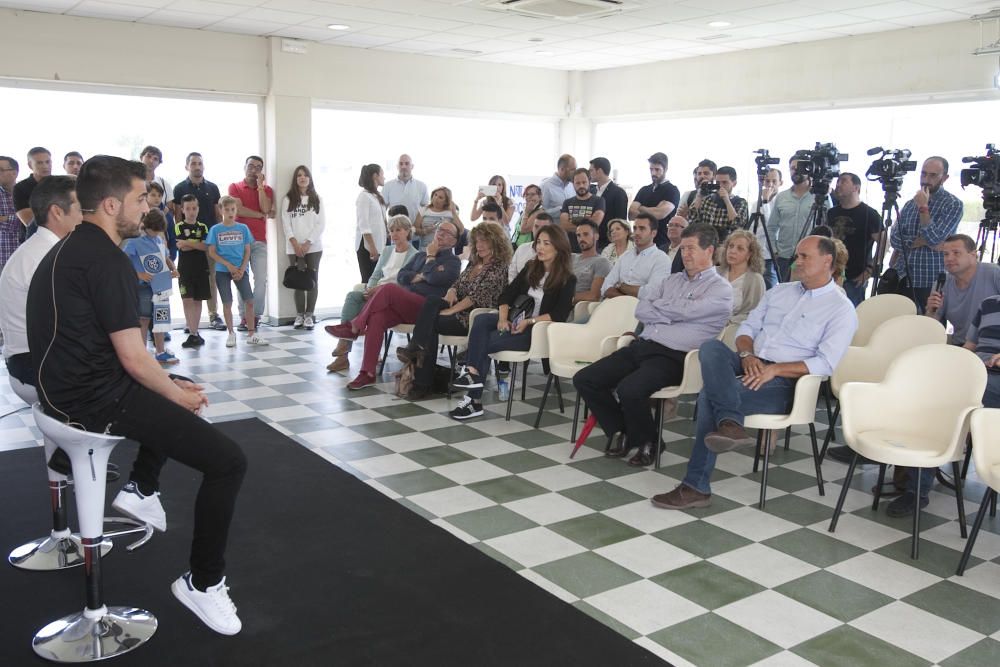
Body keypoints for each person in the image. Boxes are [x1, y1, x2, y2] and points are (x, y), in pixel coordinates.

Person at [25, 155, 246, 636]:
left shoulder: (68, 248)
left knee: (170, 391)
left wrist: (170, 387)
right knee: (228, 461)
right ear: (110, 204)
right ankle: (203, 584)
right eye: (141, 198)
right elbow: (132, 357)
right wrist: (176, 392)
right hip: (90, 401)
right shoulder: (108, 261)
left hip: (62, 391)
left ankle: (143, 488)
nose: (151, 205)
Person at [650, 235, 857, 509]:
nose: (797, 262)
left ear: (827, 261)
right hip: (751, 360)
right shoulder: (780, 291)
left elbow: (826, 363)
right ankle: (731, 424)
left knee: (707, 400)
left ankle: (696, 486)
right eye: (797, 255)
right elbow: (747, 329)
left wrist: (774, 370)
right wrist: (746, 355)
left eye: (804, 256)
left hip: (786, 382)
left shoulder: (841, 309)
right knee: (712, 348)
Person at [575, 224, 732, 466]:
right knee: (586, 378)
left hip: (676, 357)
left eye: (691, 248)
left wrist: (663, 309)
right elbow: (642, 308)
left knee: (630, 389)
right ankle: (624, 430)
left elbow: (687, 311)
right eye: (682, 249)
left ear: (709, 250)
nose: (685, 254)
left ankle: (650, 442)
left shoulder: (720, 289)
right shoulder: (671, 281)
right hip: (644, 345)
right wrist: (674, 313)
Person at [449, 225, 577, 420]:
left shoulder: (568, 279)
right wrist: (502, 318)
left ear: (559, 247)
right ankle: (473, 376)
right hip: (515, 321)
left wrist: (529, 321)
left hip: (537, 332)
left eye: (546, 243)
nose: (540, 248)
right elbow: (506, 295)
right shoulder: (531, 267)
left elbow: (559, 314)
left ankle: (473, 397)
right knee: (483, 319)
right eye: (539, 243)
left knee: (484, 341)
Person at [327, 221, 461, 390]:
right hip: (406, 302)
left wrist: (431, 258)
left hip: (426, 309)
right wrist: (423, 273)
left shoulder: (453, 261)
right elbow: (402, 276)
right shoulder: (419, 255)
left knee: (388, 289)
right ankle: (367, 373)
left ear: (454, 241)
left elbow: (435, 280)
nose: (441, 233)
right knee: (377, 318)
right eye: (440, 229)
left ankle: (354, 326)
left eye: (447, 233)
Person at [398, 222, 512, 399]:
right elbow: (457, 284)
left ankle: (421, 377)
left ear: (495, 243)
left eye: (484, 241)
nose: (479, 245)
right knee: (432, 303)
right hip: (457, 308)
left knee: (430, 324)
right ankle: (418, 357)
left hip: (473, 317)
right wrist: (451, 290)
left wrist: (451, 311)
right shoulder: (474, 263)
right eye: (477, 241)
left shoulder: (499, 267)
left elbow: (476, 297)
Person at [0, 175, 82, 388]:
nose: (86, 217)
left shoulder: (47, 248)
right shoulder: (45, 256)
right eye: (81, 209)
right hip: (33, 359)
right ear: (57, 212)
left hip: (40, 354)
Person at [328, 214, 417, 374]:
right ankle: (343, 354)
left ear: (408, 232)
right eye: (391, 231)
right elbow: (375, 275)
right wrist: (370, 289)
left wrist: (378, 291)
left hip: (392, 298)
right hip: (376, 293)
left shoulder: (415, 255)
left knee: (375, 305)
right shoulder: (388, 250)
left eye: (398, 230)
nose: (394, 234)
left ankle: (345, 346)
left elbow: (406, 283)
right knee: (353, 296)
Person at [889, 156, 964, 312]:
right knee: (899, 329)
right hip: (902, 277)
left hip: (930, 281)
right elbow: (895, 239)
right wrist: (919, 241)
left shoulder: (952, 204)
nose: (926, 179)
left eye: (933, 175)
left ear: (944, 178)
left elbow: (934, 238)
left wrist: (923, 207)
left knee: (927, 329)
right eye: (924, 174)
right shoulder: (910, 203)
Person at [207, 196, 267, 347]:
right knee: (227, 302)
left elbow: (248, 250)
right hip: (222, 271)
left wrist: (241, 268)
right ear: (221, 210)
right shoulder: (215, 230)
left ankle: (252, 334)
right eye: (226, 210)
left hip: (241, 270)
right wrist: (228, 265)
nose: (230, 212)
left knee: (249, 300)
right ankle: (231, 334)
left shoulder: (243, 228)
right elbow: (212, 252)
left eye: (233, 209)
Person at [173, 152, 224, 330]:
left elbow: (218, 214)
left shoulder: (212, 188)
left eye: (200, 163)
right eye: (193, 163)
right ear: (187, 166)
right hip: (186, 244)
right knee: (188, 282)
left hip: (207, 241)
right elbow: (177, 216)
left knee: (210, 278)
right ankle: (191, 322)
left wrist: (219, 239)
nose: (197, 166)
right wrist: (181, 240)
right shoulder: (179, 189)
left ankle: (213, 315)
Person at [123, 208, 178, 365]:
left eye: (158, 231)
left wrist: (173, 269)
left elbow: (166, 257)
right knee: (144, 318)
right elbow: (123, 260)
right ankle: (142, 352)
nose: (155, 233)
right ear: (147, 226)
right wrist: (139, 275)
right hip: (144, 287)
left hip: (161, 288)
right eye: (153, 230)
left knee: (161, 319)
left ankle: (160, 351)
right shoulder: (135, 242)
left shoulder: (159, 240)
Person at [925, 234, 1000, 346]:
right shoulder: (941, 284)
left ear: (973, 255)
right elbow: (931, 327)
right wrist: (930, 311)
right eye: (946, 254)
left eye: (956, 253)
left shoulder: (994, 273)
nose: (949, 258)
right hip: (961, 345)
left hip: (993, 348)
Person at [228, 155, 274, 331]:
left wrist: (261, 187)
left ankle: (255, 315)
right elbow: (238, 209)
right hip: (239, 241)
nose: (253, 170)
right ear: (244, 167)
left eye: (258, 167)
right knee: (241, 278)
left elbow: (266, 208)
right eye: (251, 166)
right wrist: (260, 215)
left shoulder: (267, 189)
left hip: (260, 241)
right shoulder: (235, 187)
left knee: (261, 279)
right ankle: (244, 317)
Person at [768, 157, 831, 281]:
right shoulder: (782, 197)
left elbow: (828, 228)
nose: (795, 171)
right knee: (785, 295)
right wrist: (774, 251)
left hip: (810, 258)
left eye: (800, 168)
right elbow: (771, 227)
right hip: (784, 257)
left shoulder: (820, 196)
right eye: (792, 168)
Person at [828, 173, 883, 305]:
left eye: (844, 181)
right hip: (832, 273)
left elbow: (883, 243)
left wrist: (870, 270)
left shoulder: (869, 214)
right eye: (838, 182)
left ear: (856, 188)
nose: (838, 185)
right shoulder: (831, 212)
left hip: (855, 277)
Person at [281, 165, 325, 330]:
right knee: (298, 280)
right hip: (293, 247)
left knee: (312, 280)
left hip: (313, 247)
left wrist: (307, 243)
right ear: (295, 179)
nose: (303, 178)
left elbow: (321, 224)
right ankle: (299, 315)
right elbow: (285, 223)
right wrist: (295, 244)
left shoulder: (317, 198)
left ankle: (309, 315)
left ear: (310, 178)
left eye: (306, 175)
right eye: (299, 175)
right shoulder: (288, 199)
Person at [601, 213, 670, 298]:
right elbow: (605, 287)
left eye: (642, 229)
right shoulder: (625, 256)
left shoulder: (662, 259)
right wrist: (625, 298)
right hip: (616, 304)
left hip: (643, 309)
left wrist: (621, 286)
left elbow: (653, 293)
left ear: (653, 233)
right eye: (635, 228)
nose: (636, 232)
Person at [174, 194, 210, 349]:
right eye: (188, 208)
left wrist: (189, 243)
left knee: (198, 300)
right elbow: (181, 246)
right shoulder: (179, 226)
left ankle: (195, 333)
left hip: (201, 268)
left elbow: (206, 246)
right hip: (185, 269)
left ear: (198, 209)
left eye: (194, 208)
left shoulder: (203, 227)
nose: (191, 211)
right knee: (187, 300)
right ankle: (191, 332)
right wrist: (196, 243)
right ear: (182, 210)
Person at [628, 152, 680, 250]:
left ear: (665, 169)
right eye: (651, 169)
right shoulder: (644, 190)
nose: (653, 173)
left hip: (661, 242)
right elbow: (631, 214)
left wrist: (641, 208)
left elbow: (660, 214)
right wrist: (654, 210)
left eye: (657, 169)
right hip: (640, 241)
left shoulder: (672, 190)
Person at [683, 165, 748, 243]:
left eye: (724, 182)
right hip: (705, 243)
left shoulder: (740, 202)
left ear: (734, 183)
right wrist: (699, 196)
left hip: (726, 245)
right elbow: (692, 220)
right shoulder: (708, 200)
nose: (720, 186)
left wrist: (727, 201)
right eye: (717, 182)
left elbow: (738, 226)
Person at [716, 229, 766, 326]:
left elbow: (755, 313)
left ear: (749, 254)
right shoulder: (716, 272)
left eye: (740, 248)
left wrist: (729, 322)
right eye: (731, 246)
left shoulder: (755, 279)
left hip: (732, 327)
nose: (732, 251)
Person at [560, 167, 605, 253]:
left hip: (591, 253)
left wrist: (573, 220)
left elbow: (595, 224)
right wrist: (586, 221)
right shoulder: (567, 202)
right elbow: (564, 225)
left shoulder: (599, 201)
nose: (581, 186)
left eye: (584, 182)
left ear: (589, 182)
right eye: (577, 183)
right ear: (573, 184)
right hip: (570, 252)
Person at [355, 163, 387, 284]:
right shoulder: (364, 197)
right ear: (375, 176)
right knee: (368, 281)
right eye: (382, 174)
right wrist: (372, 248)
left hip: (379, 245)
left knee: (378, 282)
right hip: (367, 247)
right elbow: (364, 225)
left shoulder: (377, 196)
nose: (384, 177)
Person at [589, 157, 628, 248]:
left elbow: (620, 221)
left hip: (607, 243)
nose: (589, 174)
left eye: (591, 170)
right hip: (590, 241)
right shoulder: (591, 191)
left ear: (599, 171)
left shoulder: (619, 193)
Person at [572, 221, 612, 305]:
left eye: (586, 234)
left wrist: (565, 298)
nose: (581, 239)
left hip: (579, 308)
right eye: (578, 235)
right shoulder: (571, 257)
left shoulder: (602, 262)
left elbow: (594, 296)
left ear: (596, 236)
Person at [382, 154, 428, 222]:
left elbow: (425, 208)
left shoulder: (422, 186)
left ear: (412, 166)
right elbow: (382, 210)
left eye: (407, 163)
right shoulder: (387, 186)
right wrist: (386, 228)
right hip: (394, 231)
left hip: (415, 230)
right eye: (401, 164)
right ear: (397, 166)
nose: (403, 166)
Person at [509, 212, 554, 281]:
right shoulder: (522, 248)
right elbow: (512, 273)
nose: (539, 231)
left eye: (544, 228)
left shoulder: (555, 252)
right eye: (536, 226)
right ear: (532, 228)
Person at [14, 147, 51, 226]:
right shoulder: (20, 188)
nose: (45, 166)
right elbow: (28, 220)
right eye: (39, 163)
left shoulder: (61, 183)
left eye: (48, 162)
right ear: (30, 165)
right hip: (35, 235)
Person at [0, 156, 21, 292]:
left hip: (24, 259)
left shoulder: (26, 193)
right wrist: (20, 218)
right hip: (2, 259)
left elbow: (34, 220)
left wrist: (4, 219)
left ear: (14, 172)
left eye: (1, 170)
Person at [146, 181, 177, 262]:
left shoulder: (167, 214)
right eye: (153, 195)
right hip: (145, 254)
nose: (157, 198)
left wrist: (172, 256)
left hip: (164, 255)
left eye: (159, 196)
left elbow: (172, 236)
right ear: (146, 195)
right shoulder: (140, 213)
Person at [541, 154, 576, 218]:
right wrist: (561, 209)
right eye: (572, 169)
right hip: (553, 227)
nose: (575, 172)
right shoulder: (545, 186)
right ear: (562, 169)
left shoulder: (572, 186)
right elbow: (541, 213)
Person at [139, 145, 172, 213]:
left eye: (155, 159)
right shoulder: (131, 181)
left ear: (159, 163)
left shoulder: (165, 185)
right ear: (141, 157)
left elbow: (169, 211)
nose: (151, 161)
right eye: (148, 156)